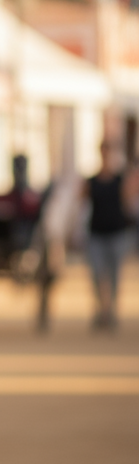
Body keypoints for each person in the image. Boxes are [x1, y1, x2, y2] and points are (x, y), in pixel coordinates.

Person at [84, 140, 138, 330]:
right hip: (96, 233)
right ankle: (101, 309)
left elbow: (129, 202)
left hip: (116, 233)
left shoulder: (120, 179)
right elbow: (82, 205)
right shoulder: (91, 181)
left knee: (114, 275)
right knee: (98, 274)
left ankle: (111, 310)